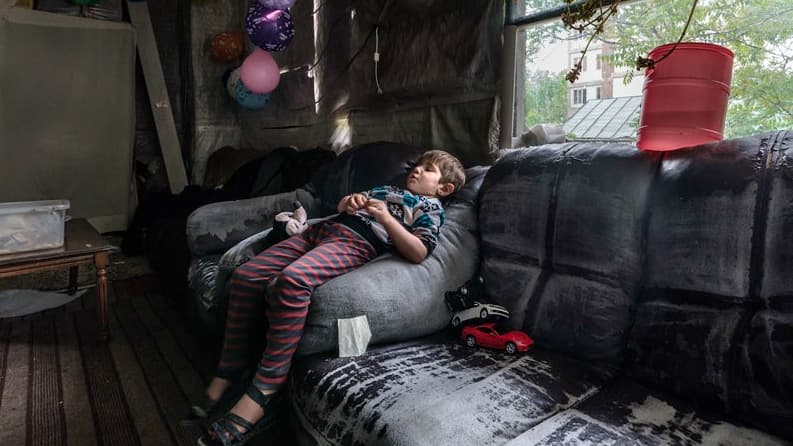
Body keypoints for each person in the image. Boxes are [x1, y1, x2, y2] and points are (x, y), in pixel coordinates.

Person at [197, 150, 466, 446]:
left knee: (292, 282)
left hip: (356, 243)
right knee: (246, 277)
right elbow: (344, 204)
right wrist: (349, 202)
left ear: (444, 189)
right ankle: (231, 367)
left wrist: (386, 218)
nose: (416, 170)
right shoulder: (389, 189)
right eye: (417, 165)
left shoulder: (430, 208)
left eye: (428, 169)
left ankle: (265, 388)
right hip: (322, 230)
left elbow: (418, 252)